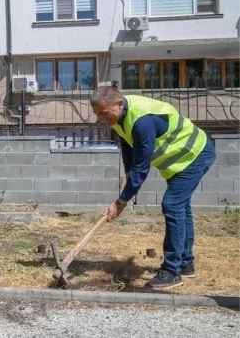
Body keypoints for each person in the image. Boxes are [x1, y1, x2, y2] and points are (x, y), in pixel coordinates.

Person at [91, 85, 216, 290]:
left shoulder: (142, 121)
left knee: (172, 205)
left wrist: (121, 202)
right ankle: (185, 264)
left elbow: (142, 167)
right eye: (98, 116)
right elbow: (127, 147)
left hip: (195, 154)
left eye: (105, 114)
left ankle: (171, 271)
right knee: (181, 208)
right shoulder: (120, 116)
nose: (103, 119)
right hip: (180, 161)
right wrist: (128, 175)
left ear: (119, 103)